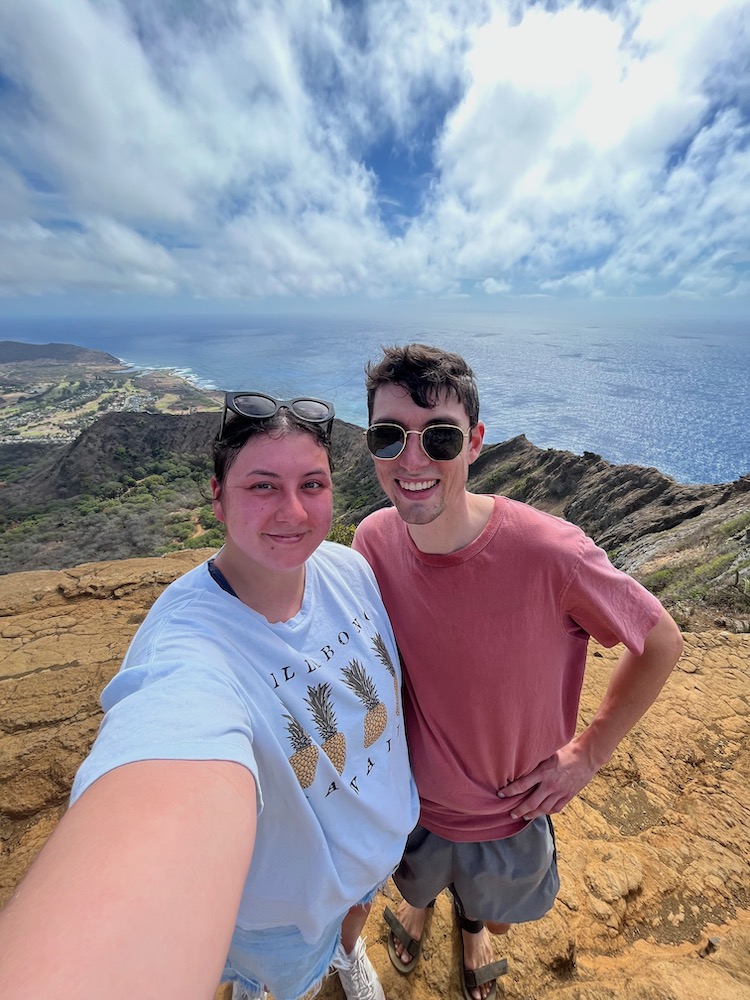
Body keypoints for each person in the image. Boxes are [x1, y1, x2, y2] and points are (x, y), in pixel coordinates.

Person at [0, 391, 418, 1000]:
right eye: (262, 486)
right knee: (282, 980)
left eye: (312, 484)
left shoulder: (348, 571)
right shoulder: (189, 646)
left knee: (353, 919)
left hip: (373, 853)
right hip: (284, 915)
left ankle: (347, 952)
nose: (293, 511)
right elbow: (169, 765)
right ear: (218, 498)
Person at [352, 345, 684, 1000]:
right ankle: (421, 908)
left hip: (509, 813)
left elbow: (661, 641)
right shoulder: (372, 541)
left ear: (475, 442)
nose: (412, 460)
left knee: (497, 916)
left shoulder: (549, 553)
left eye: (439, 437)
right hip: (410, 806)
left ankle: (471, 926)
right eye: (389, 435)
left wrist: (588, 753)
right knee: (417, 882)